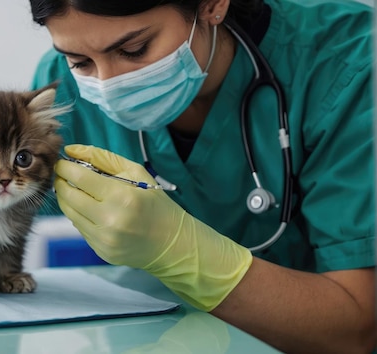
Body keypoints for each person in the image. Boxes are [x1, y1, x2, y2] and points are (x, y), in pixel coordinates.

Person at [28, 0, 376, 353]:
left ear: (212, 5)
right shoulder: (63, 91)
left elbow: (359, 328)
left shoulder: (350, 62)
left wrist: (177, 248)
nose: (108, 85)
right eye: (80, 62)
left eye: (133, 49)